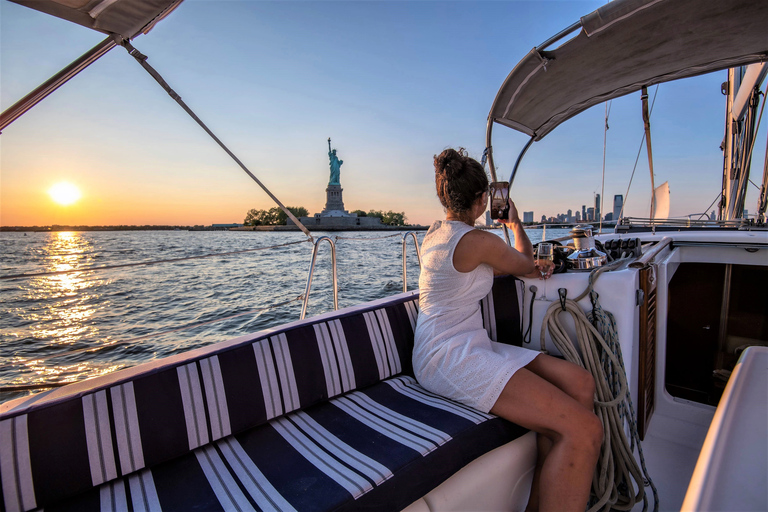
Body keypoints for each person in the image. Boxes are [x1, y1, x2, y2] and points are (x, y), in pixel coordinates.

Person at [413, 148, 603, 512]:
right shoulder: (479, 241)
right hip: (447, 357)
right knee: (586, 430)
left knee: (580, 383)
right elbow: (528, 266)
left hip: (466, 343)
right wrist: (514, 224)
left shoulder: (438, 233)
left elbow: (482, 270)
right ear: (484, 199)